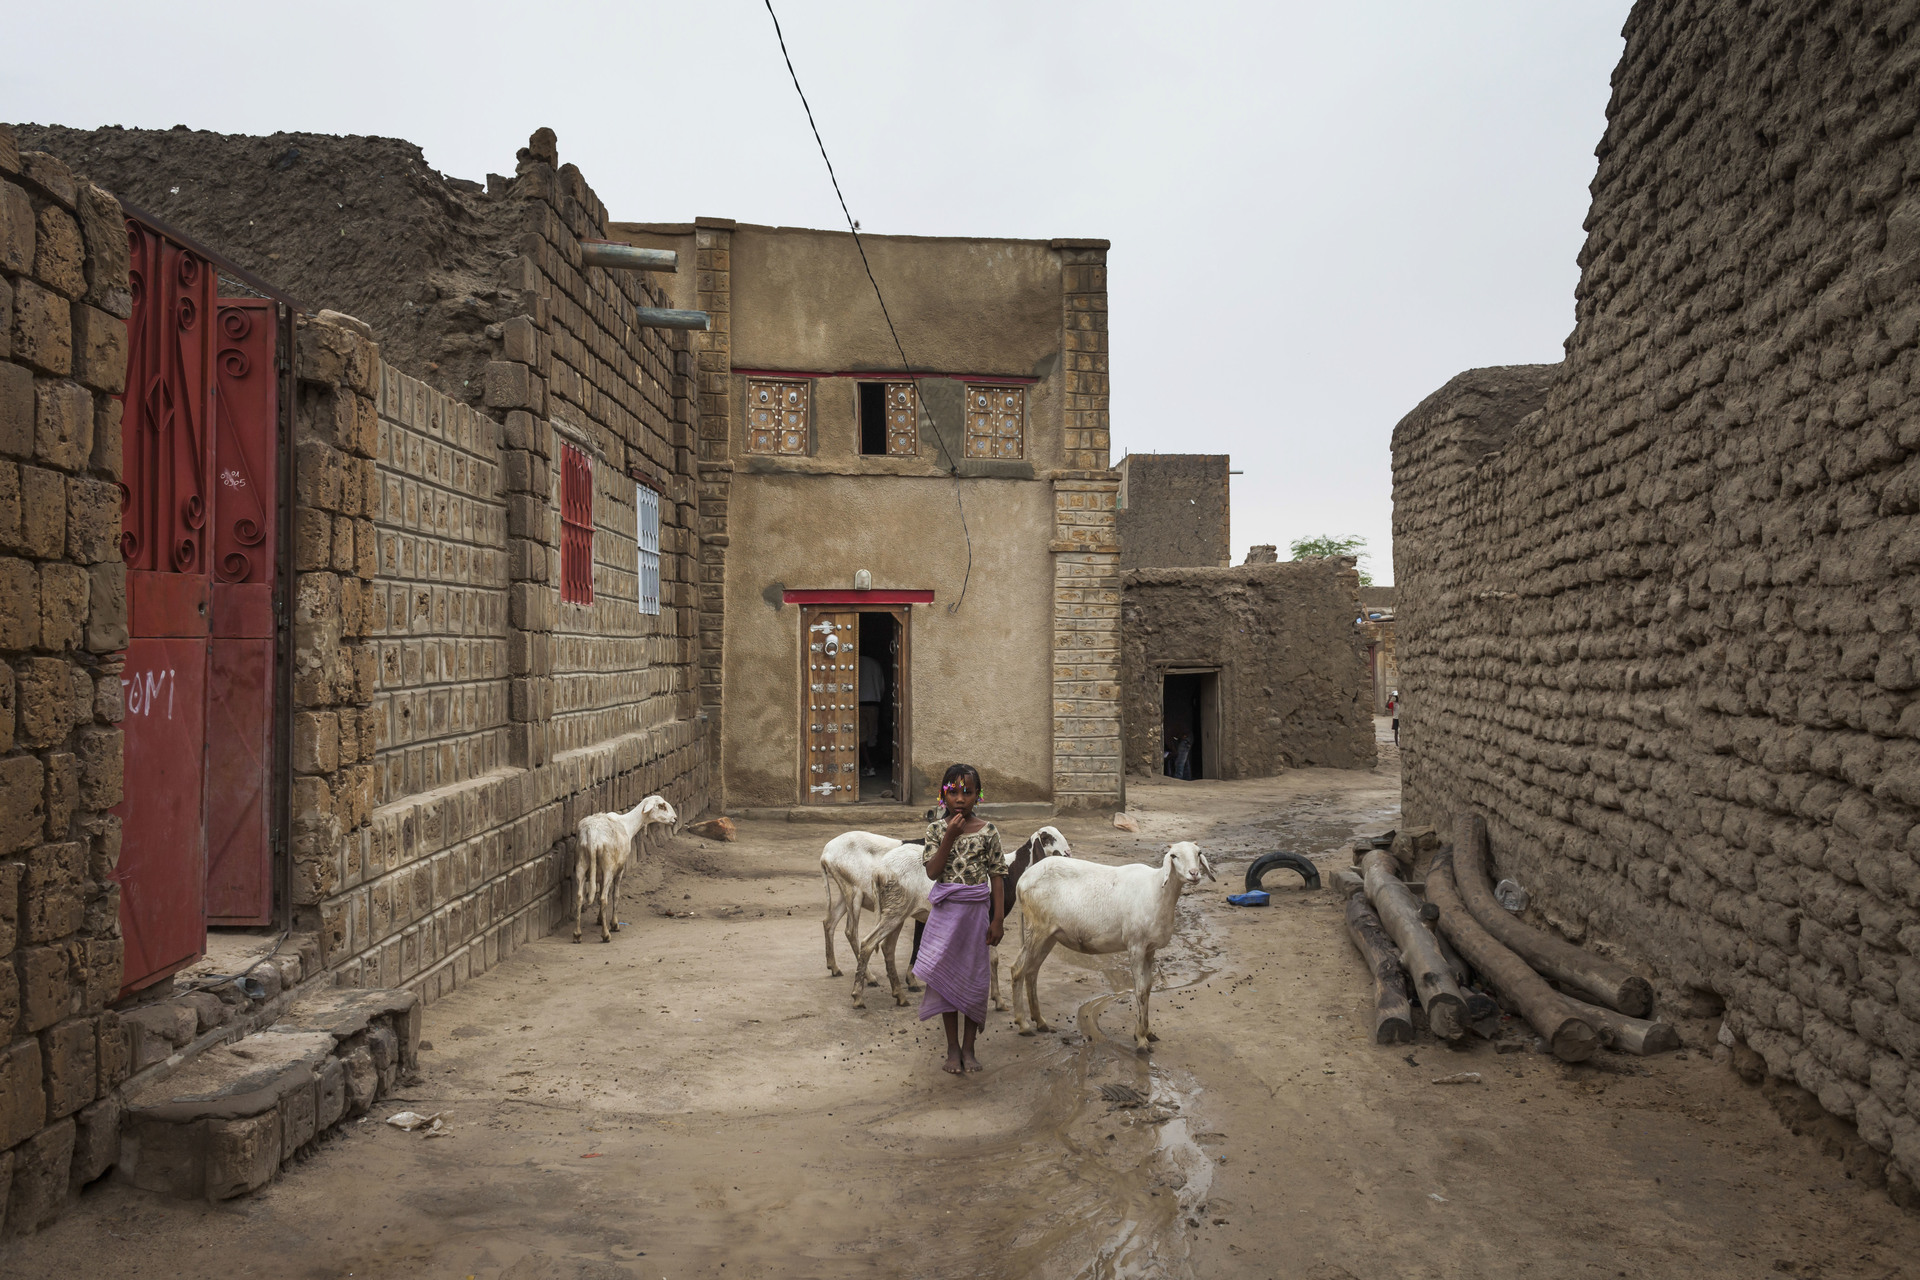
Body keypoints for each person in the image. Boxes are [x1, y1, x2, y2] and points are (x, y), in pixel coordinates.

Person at [917, 763, 1006, 1075]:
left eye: (967, 792)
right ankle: (952, 1047)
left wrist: (997, 920)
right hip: (946, 915)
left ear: (977, 796)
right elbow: (932, 872)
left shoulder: (988, 831)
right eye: (953, 792)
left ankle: (969, 1048)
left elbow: (997, 876)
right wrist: (949, 836)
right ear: (943, 796)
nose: (960, 798)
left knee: (973, 978)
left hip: (975, 916)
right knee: (945, 981)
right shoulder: (936, 831)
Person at [858, 653, 886, 776]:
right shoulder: (875, 664)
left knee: (861, 737)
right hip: (874, 703)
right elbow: (882, 686)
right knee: (872, 735)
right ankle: (872, 765)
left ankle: (869, 766)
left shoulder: (853, 662)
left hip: (858, 704)